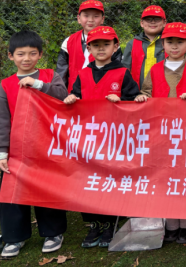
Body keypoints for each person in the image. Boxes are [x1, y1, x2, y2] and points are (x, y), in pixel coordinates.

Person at [64, 26, 140, 249]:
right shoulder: (83, 73)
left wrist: (122, 100)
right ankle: (93, 222)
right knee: (87, 179)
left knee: (109, 178)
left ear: (115, 47)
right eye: (95, 45)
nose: (101, 49)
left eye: (106, 44)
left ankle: (109, 222)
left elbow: (135, 100)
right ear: (88, 48)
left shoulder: (123, 73)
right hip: (88, 138)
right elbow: (76, 95)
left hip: (114, 138)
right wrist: (72, 98)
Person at [135, 22, 186, 244]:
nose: (175, 46)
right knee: (165, 176)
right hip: (162, 133)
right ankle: (170, 224)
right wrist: (142, 98)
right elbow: (146, 92)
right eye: (170, 42)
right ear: (163, 44)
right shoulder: (155, 70)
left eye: (180, 42)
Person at [0, 31, 69, 258]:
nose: (26, 58)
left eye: (32, 53)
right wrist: (1, 153)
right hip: (17, 150)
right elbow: (1, 122)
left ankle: (53, 233)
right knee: (12, 193)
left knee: (47, 189)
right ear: (11, 56)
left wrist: (38, 84)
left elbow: (63, 96)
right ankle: (14, 237)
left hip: (47, 146)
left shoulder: (49, 75)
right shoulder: (5, 85)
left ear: (40, 55)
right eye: (20, 54)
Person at [56, 0, 122, 92]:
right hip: (74, 93)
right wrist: (61, 93)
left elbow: (118, 71)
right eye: (86, 16)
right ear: (79, 18)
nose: (90, 20)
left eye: (96, 16)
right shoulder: (69, 41)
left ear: (102, 19)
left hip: (104, 92)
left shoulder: (111, 41)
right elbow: (61, 72)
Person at [122, 5, 166, 88]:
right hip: (137, 91)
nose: (153, 22)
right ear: (142, 23)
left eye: (157, 19)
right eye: (148, 19)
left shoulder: (169, 43)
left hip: (163, 91)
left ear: (164, 23)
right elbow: (125, 69)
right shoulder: (132, 44)